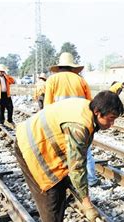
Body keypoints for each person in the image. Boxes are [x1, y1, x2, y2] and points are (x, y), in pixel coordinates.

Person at [14, 91, 124, 222]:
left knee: (62, 187)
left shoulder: (88, 111)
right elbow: (77, 165)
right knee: (51, 194)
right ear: (97, 112)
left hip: (47, 145)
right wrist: (86, 203)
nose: (111, 124)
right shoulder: (79, 125)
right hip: (32, 146)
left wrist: (81, 192)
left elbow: (78, 159)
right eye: (110, 119)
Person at [45, 52, 98, 187]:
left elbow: (47, 106)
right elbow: (89, 103)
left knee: (61, 151)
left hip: (59, 121)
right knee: (85, 152)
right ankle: (91, 179)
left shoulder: (52, 80)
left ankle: (65, 179)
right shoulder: (80, 80)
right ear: (72, 67)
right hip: (80, 121)